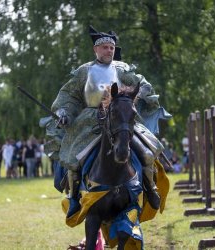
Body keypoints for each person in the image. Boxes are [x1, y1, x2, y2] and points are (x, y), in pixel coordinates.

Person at [40, 26, 171, 217]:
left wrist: (137, 93)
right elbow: (69, 96)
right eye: (105, 48)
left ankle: (150, 188)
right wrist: (64, 112)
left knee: (148, 150)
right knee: (73, 156)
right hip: (90, 121)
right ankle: (74, 197)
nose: (109, 50)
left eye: (111, 47)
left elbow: (142, 83)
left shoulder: (122, 68)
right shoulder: (84, 71)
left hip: (120, 117)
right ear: (96, 50)